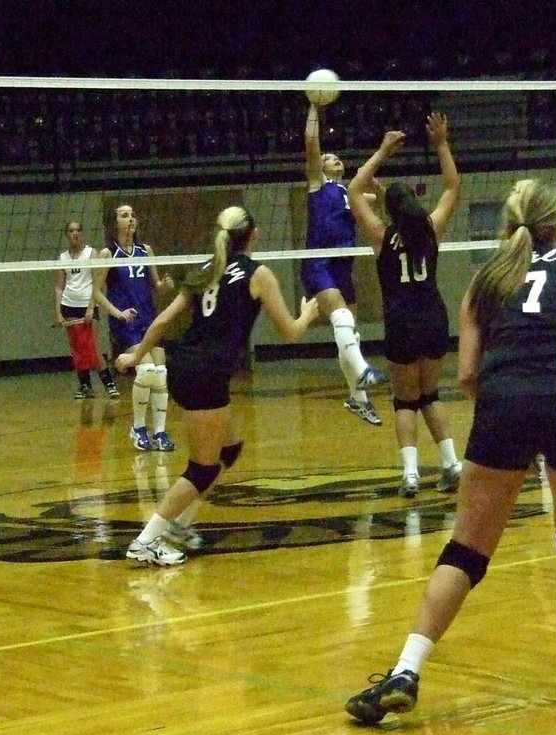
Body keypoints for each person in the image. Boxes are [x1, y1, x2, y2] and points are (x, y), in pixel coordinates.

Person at [345, 179, 556, 724]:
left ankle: (406, 671)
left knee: (466, 551)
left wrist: (512, 411)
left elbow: (465, 376)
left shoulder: (486, 279)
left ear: (508, 225)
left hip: (504, 400)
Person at [115, 205, 319, 566]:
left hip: (186, 366)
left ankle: (178, 524)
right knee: (203, 467)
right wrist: (311, 311)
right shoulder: (259, 274)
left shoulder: (207, 269)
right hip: (205, 373)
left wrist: (136, 356)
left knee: (230, 450)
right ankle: (145, 542)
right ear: (253, 235)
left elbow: (163, 319)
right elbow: (291, 332)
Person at [347, 113, 462, 497]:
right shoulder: (431, 228)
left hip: (401, 321)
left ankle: (411, 475)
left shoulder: (381, 235)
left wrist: (382, 150)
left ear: (389, 210)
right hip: (434, 317)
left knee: (405, 401)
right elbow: (452, 186)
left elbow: (353, 190)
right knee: (430, 396)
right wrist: (441, 143)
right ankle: (451, 464)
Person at [302, 101, 387, 427]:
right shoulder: (318, 185)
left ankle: (358, 399)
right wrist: (313, 104)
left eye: (336, 158)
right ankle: (364, 370)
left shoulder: (352, 194)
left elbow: (375, 205)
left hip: (343, 265)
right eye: (328, 158)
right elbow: (311, 143)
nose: (334, 159)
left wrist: (378, 190)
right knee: (339, 317)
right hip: (317, 262)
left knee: (349, 329)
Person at [92, 204, 176, 452]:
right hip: (126, 321)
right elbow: (96, 292)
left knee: (160, 374)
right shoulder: (108, 254)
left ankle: (159, 432)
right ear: (115, 222)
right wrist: (117, 313)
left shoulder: (145, 250)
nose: (130, 219)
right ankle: (138, 427)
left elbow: (156, 285)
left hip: (149, 319)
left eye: (132, 215)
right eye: (124, 215)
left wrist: (164, 285)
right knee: (148, 370)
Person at [54, 221, 119, 400]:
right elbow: (59, 287)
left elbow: (97, 283)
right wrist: (58, 312)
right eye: (71, 231)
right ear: (66, 234)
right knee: (77, 348)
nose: (75, 233)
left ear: (82, 233)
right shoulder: (63, 258)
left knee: (91, 346)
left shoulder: (92, 253)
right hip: (69, 305)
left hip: (87, 305)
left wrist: (92, 307)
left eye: (78, 230)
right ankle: (85, 386)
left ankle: (109, 383)